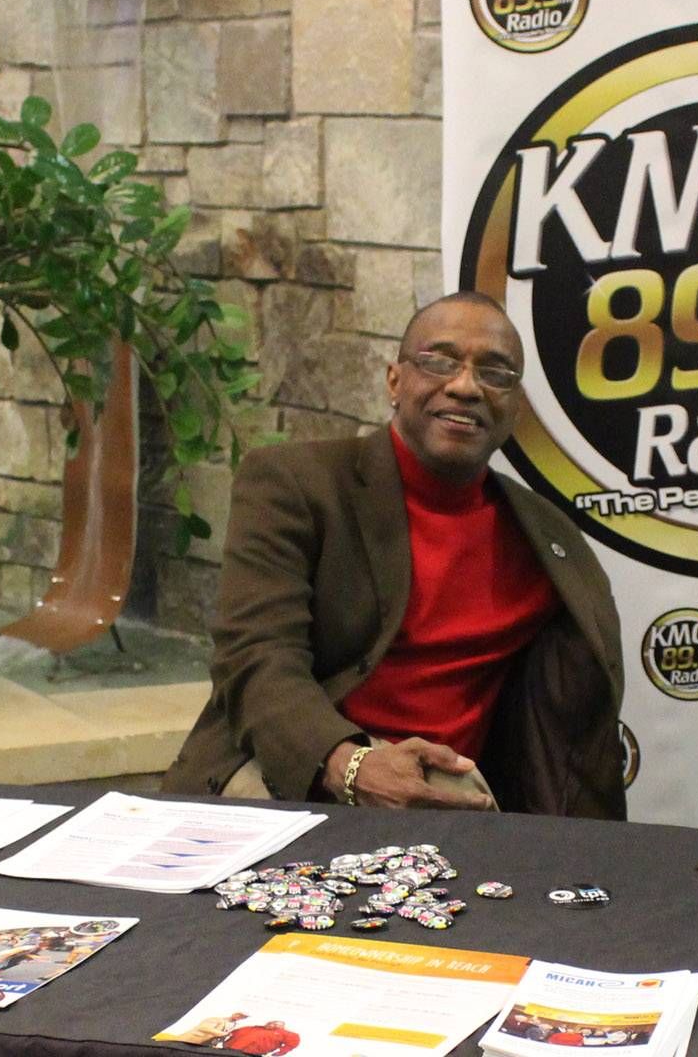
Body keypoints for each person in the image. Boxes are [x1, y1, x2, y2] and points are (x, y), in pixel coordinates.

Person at [163, 291, 626, 817]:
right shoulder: (295, 484)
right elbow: (254, 657)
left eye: (495, 373)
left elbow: (575, 726)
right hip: (294, 770)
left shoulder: (546, 540)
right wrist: (353, 766)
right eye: (439, 361)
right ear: (394, 381)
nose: (465, 386)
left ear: (514, 408)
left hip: (453, 794)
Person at [221, 1020, 300, 1056]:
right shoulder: (253, 1028)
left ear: (282, 1026)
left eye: (276, 1024)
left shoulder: (289, 1034)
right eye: (270, 1023)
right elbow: (230, 1033)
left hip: (251, 1054)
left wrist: (279, 1053)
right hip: (229, 1050)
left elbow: (291, 1044)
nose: (272, 1024)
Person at [169, 1012, 248, 1046]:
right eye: (240, 1015)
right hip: (184, 1042)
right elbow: (203, 1028)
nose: (240, 1017)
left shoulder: (234, 1026)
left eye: (243, 1017)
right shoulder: (216, 1019)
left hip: (200, 1046)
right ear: (235, 1013)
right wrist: (223, 1034)